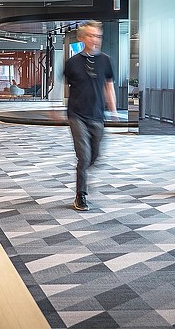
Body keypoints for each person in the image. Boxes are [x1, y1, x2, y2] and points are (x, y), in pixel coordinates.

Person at [63, 20, 117, 211]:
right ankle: (81, 195)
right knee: (84, 157)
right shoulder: (72, 63)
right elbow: (66, 87)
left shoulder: (105, 61)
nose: (95, 39)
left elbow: (108, 86)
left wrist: (113, 110)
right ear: (82, 38)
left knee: (95, 156)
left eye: (98, 36)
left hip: (97, 115)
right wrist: (55, 108)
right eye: (91, 36)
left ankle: (83, 173)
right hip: (77, 115)